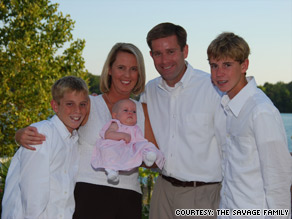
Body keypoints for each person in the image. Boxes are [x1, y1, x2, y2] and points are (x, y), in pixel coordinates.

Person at [15, 43, 156, 218]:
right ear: (110, 70)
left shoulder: (143, 110)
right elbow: (58, 126)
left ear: (139, 73)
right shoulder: (89, 103)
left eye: (133, 69)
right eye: (121, 67)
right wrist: (20, 134)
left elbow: (154, 158)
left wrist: (126, 153)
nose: (127, 75)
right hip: (88, 194)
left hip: (128, 196)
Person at [140, 22, 225, 219]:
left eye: (171, 51)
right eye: (157, 53)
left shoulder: (212, 88)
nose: (164, 60)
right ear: (151, 55)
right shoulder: (150, 91)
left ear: (185, 51)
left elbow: (230, 147)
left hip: (203, 195)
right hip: (163, 190)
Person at [207, 32, 292, 218]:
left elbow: (278, 179)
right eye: (214, 65)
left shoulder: (261, 111)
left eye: (227, 65)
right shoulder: (228, 106)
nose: (219, 73)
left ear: (244, 65)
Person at [2, 76, 89, 219]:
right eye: (69, 104)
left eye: (82, 104)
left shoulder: (74, 140)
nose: (77, 110)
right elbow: (32, 193)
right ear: (55, 106)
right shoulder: (41, 134)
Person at [91, 99, 164, 182]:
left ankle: (147, 156)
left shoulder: (136, 128)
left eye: (134, 111)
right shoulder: (116, 124)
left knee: (147, 145)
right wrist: (122, 135)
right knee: (108, 151)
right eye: (125, 110)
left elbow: (140, 140)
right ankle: (111, 170)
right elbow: (108, 134)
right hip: (117, 147)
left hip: (131, 148)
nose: (130, 113)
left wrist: (142, 146)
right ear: (115, 115)